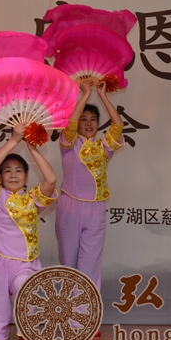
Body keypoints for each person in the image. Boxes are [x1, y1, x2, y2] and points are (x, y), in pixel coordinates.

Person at [0, 123, 58, 340]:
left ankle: (27, 333)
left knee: (25, 286)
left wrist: (32, 148)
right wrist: (14, 140)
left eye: (18, 171)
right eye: (8, 171)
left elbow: (51, 180)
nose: (13, 175)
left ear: (26, 175)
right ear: (1, 176)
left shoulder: (32, 199)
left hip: (25, 265)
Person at [55, 80, 123, 326]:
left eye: (93, 119)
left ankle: (86, 319)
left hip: (96, 210)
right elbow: (70, 126)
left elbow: (117, 125)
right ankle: (66, 316)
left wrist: (102, 96)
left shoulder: (104, 148)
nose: (88, 123)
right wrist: (84, 95)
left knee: (90, 266)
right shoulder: (68, 144)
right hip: (69, 208)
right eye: (84, 119)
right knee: (69, 264)